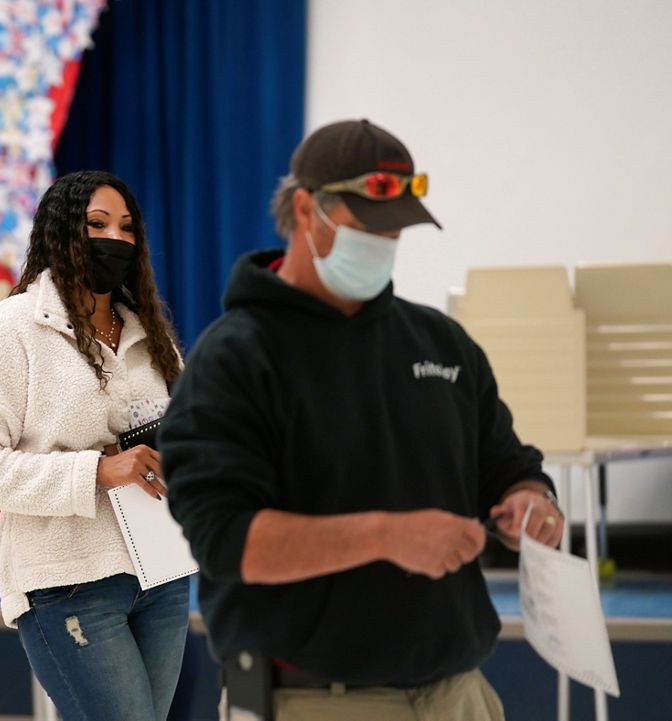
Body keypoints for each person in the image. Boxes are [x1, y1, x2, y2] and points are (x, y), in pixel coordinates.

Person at [162, 119, 566, 721]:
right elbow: (226, 540)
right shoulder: (236, 358)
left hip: (459, 694)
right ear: (306, 211)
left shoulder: (442, 344)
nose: (385, 241)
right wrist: (388, 535)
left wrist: (531, 504)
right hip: (311, 699)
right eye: (368, 226)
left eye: (396, 229)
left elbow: (508, 465)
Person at [0, 170, 188, 721]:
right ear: (60, 233)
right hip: (70, 581)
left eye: (127, 228)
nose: (117, 239)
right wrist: (98, 472)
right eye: (98, 224)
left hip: (163, 571)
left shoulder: (147, 328)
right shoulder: (12, 327)